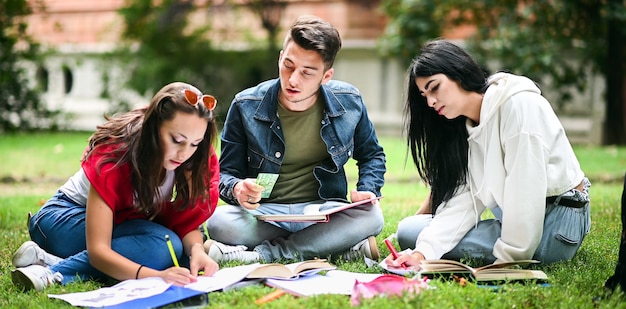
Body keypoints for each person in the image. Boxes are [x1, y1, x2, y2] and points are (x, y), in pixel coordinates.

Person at [385, 39, 591, 270]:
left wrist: (507, 261)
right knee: (412, 232)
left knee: (412, 234)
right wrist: (422, 254)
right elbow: (465, 199)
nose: (431, 102)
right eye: (424, 96)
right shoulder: (469, 127)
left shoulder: (519, 106)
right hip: (517, 218)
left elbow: (526, 194)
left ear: (458, 73)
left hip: (557, 224)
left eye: (435, 87)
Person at [204, 15, 386, 264]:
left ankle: (263, 255)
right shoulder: (245, 105)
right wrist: (237, 188)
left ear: (326, 76)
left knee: (373, 216)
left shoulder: (349, 100)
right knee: (218, 222)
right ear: (280, 57)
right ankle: (331, 246)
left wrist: (367, 189)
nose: (292, 79)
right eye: (288, 65)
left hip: (323, 211)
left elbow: (372, 155)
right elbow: (225, 173)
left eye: (307, 72)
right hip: (266, 213)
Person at [11, 82, 221, 291]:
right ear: (154, 127)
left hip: (121, 222)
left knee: (178, 253)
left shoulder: (193, 160)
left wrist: (197, 251)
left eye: (195, 143)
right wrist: (156, 276)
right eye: (177, 140)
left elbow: (186, 221)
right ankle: (51, 272)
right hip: (61, 219)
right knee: (163, 248)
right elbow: (99, 250)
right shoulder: (117, 157)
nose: (184, 153)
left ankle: (46, 259)